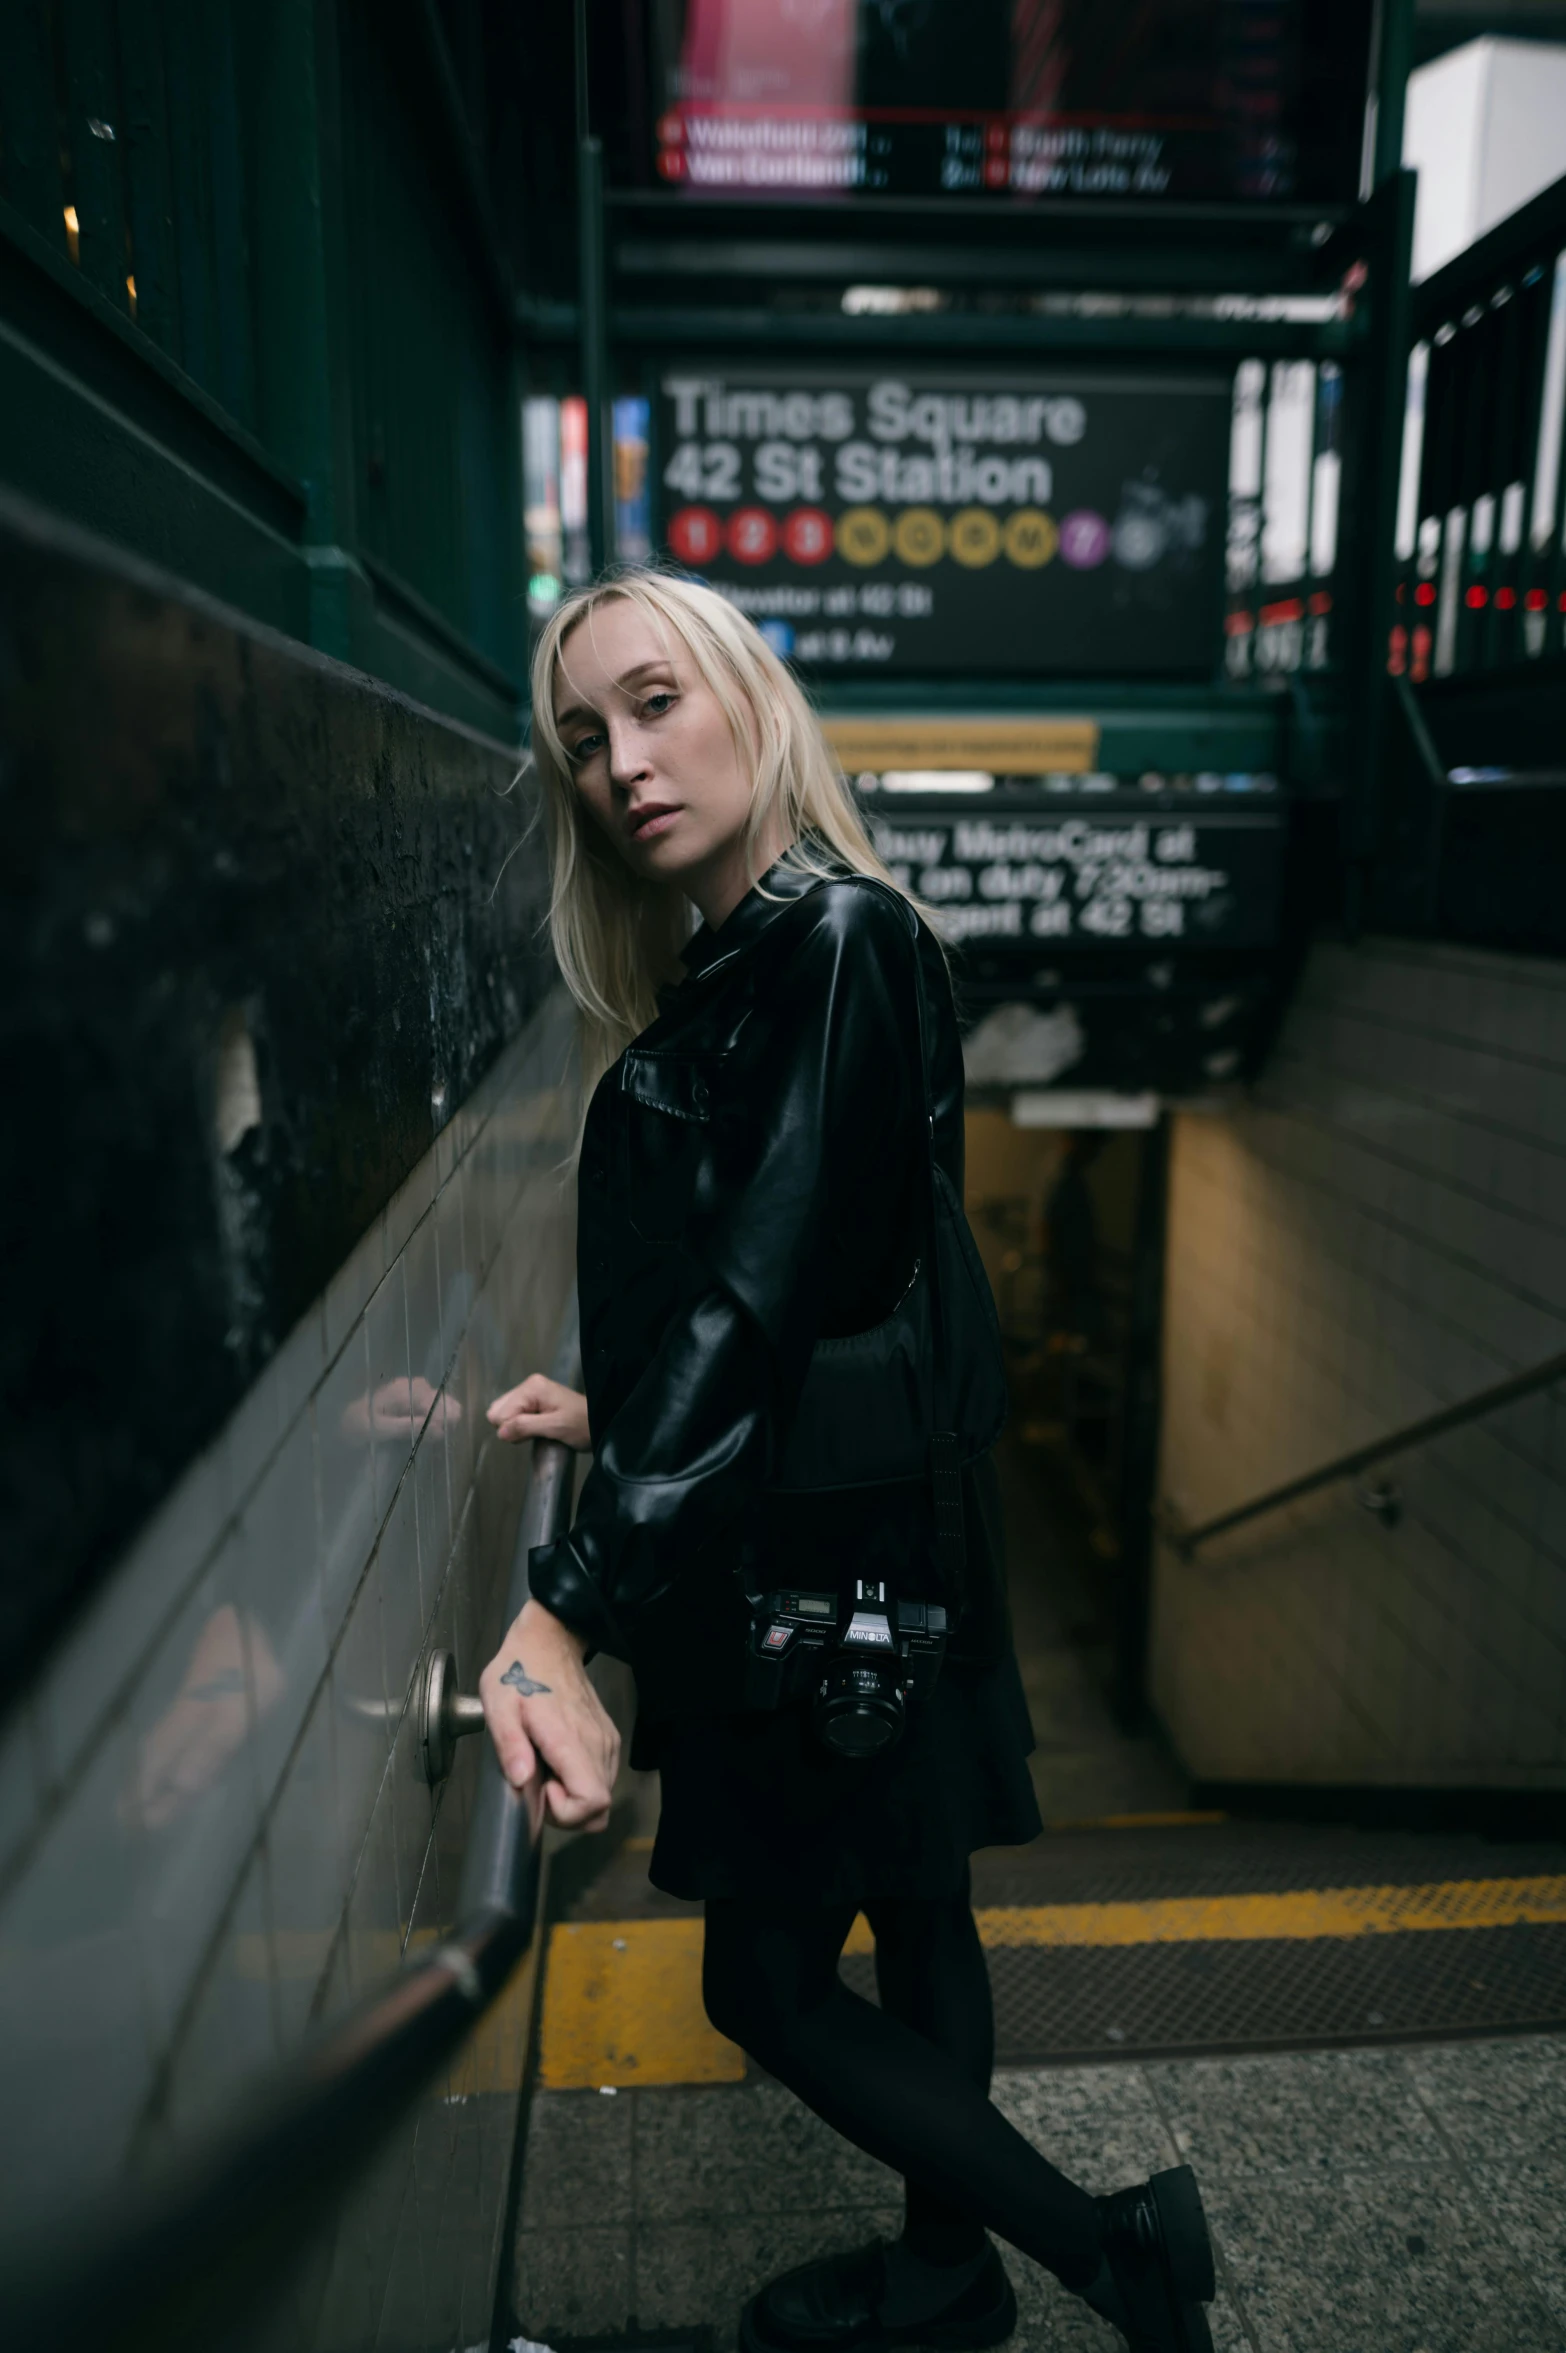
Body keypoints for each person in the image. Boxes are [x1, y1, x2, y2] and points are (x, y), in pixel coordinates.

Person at [478, 569, 1216, 2353]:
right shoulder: (760, 955)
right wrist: (620, 1403)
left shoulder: (832, 938)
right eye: (585, 739)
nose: (622, 763)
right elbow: (816, 1266)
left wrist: (565, 1610)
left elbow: (757, 1285)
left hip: (823, 1566)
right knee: (913, 1908)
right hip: (860, 1528)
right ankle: (952, 2274)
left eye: (656, 704)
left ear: (747, 699)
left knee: (763, 1979)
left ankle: (1097, 2251)